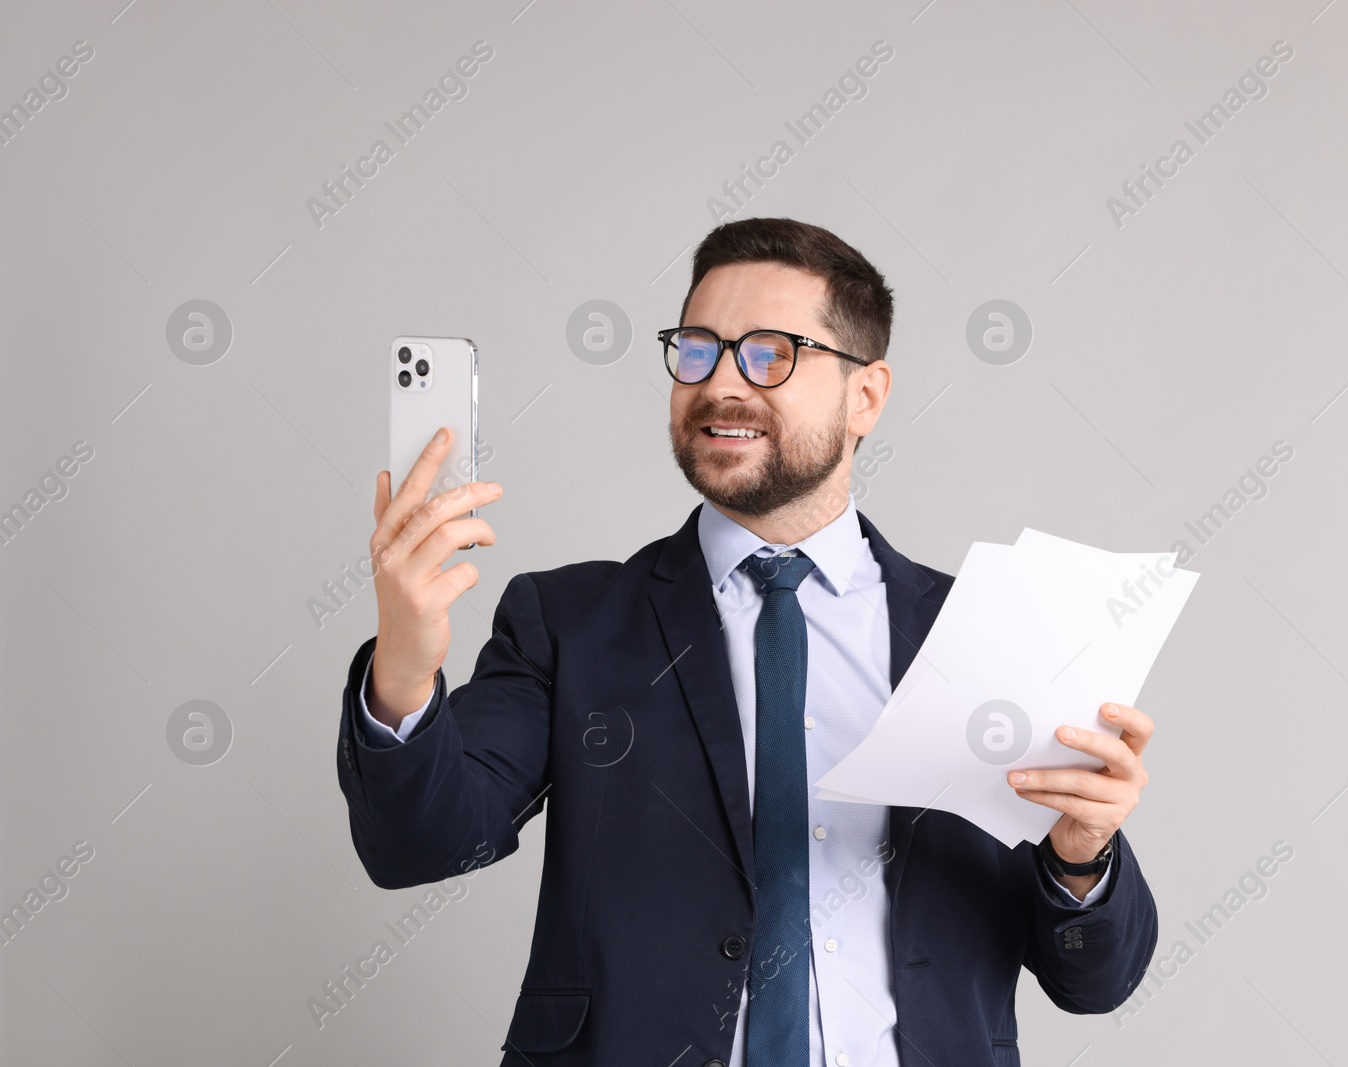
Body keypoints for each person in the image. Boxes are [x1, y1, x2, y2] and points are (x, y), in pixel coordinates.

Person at [337, 217, 1159, 1066]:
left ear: (866, 396)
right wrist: (403, 664)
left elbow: (1094, 981)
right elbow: (420, 845)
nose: (720, 382)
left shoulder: (980, 631)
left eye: (770, 353)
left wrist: (1081, 854)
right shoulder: (571, 620)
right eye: (698, 348)